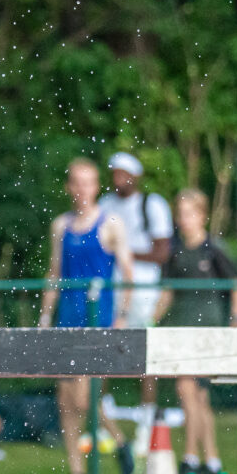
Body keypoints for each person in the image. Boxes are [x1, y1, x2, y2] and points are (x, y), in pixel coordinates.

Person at [38, 158, 135, 474]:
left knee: (86, 397)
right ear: (69, 187)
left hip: (98, 320)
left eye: (88, 183)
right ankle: (77, 470)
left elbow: (128, 274)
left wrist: (121, 316)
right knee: (65, 399)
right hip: (67, 319)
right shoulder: (60, 226)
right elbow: (54, 273)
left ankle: (120, 442)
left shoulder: (110, 224)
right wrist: (45, 316)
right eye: (76, 183)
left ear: (96, 187)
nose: (82, 190)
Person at [153, 188, 237, 474]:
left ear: (202, 216)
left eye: (190, 214)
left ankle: (191, 457)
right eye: (180, 214)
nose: (185, 220)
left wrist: (236, 320)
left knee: (192, 392)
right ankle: (212, 459)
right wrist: (152, 321)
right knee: (192, 394)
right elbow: (167, 292)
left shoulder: (213, 250)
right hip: (181, 328)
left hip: (207, 328)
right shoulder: (176, 252)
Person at [97, 152, 172, 456]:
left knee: (144, 350)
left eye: (123, 174)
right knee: (105, 345)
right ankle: (100, 415)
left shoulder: (151, 205)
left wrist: (124, 252)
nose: (118, 179)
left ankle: (146, 417)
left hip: (143, 288)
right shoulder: (106, 205)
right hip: (113, 287)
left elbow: (162, 251)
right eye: (115, 173)